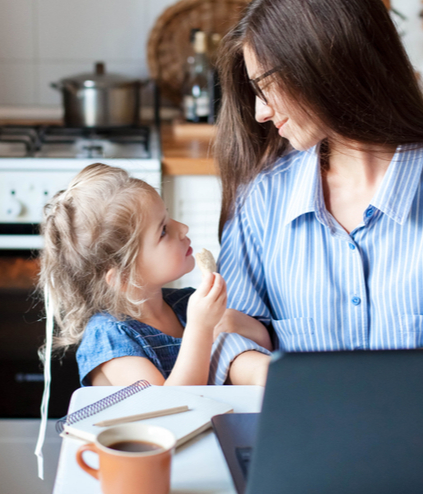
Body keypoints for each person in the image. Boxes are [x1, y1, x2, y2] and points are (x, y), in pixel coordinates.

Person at [208, 0, 423, 382]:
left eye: (266, 85)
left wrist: (347, 391)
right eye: (254, 91)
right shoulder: (262, 195)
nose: (261, 112)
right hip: (301, 431)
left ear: (326, 63)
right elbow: (228, 335)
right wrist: (325, 389)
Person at [39, 163, 270, 387]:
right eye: (163, 231)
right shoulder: (109, 336)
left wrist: (235, 321)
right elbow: (165, 407)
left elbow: (263, 345)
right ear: (124, 276)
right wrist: (200, 328)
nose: (182, 228)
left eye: (168, 217)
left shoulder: (185, 304)